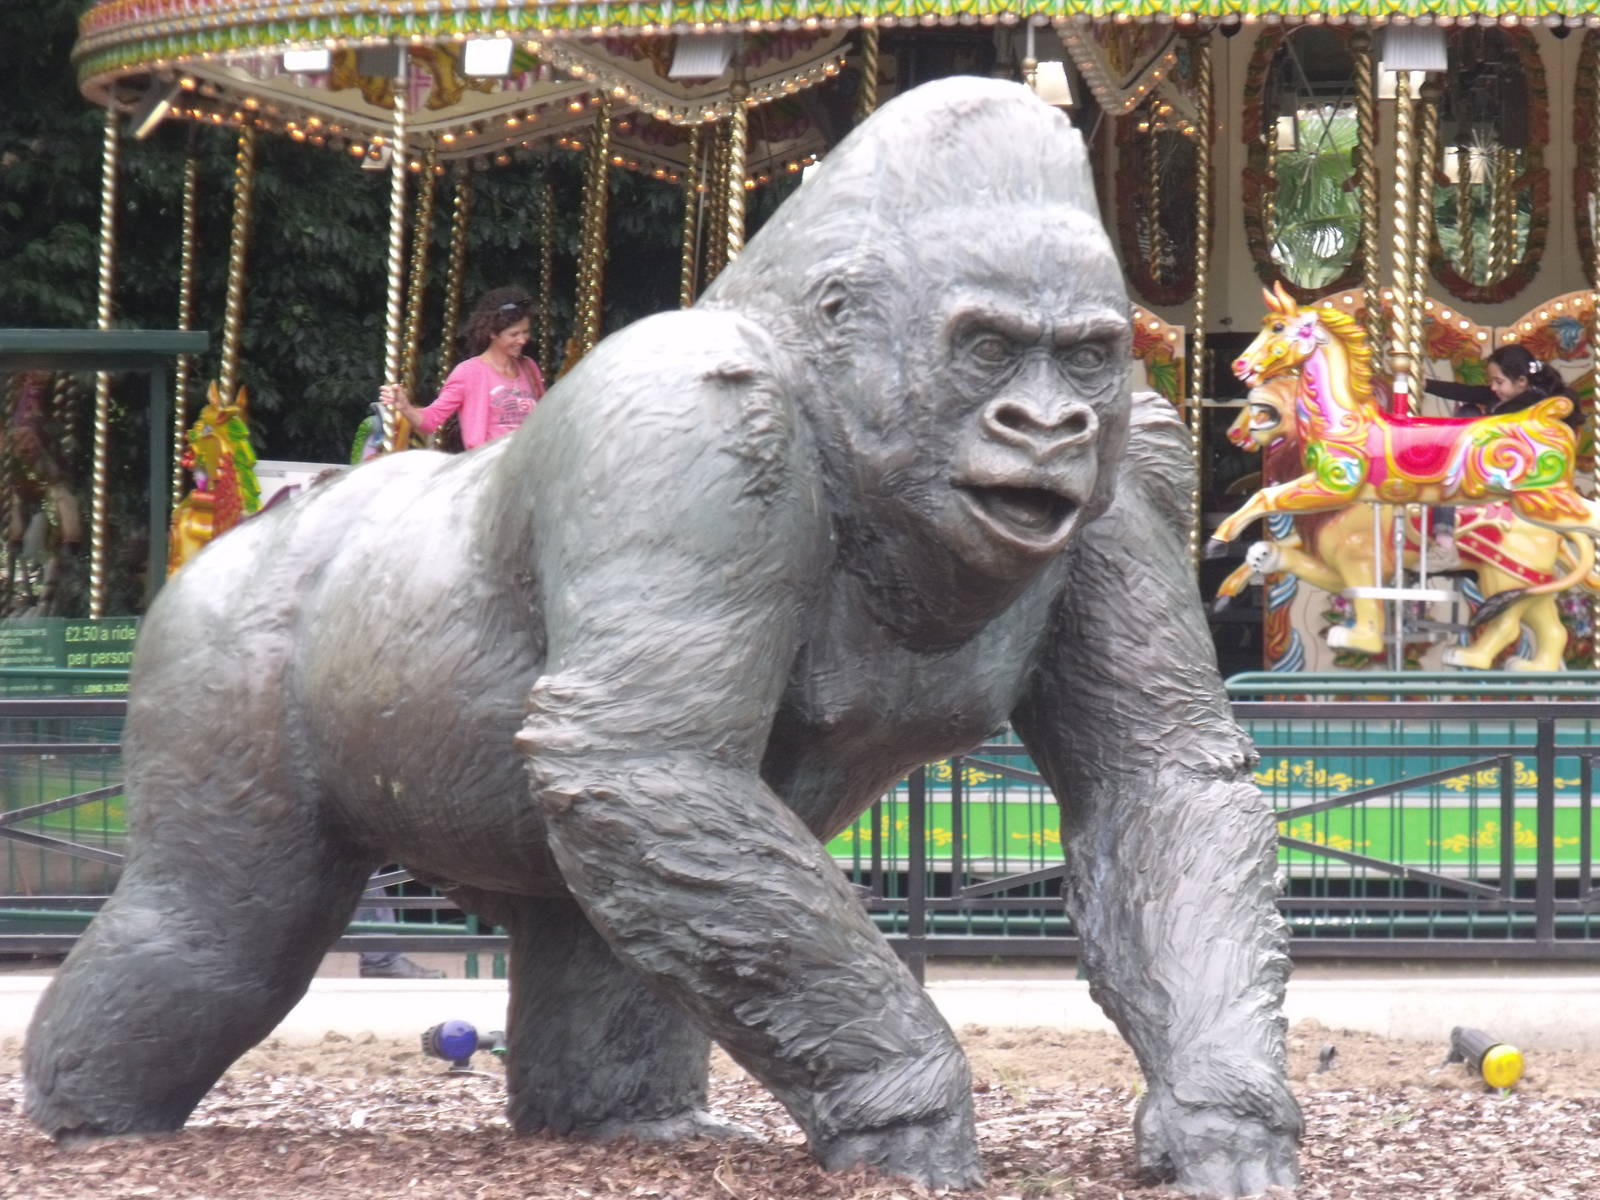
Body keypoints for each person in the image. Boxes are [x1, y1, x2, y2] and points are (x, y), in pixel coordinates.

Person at [1422, 345, 1583, 568]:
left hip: (1512, 472)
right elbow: (1468, 392)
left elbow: (1495, 421)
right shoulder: (1512, 395)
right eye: (1492, 381)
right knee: (1467, 412)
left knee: (1451, 470)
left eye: (1498, 381)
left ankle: (1444, 539)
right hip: (1503, 466)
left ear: (1521, 381)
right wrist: (1427, 385)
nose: (1493, 387)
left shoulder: (1532, 401)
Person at [380, 287, 545, 450]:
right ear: (493, 333)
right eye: (514, 335)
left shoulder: (529, 368)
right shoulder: (470, 372)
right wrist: (405, 407)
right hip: (488, 463)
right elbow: (431, 420)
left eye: (525, 332)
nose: (522, 340)